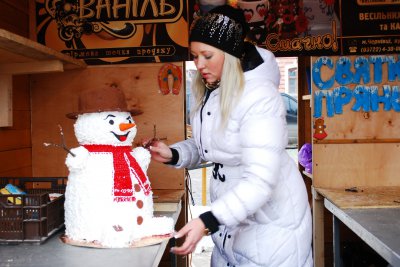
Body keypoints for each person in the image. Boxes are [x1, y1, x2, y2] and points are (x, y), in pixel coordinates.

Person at [147, 4, 313, 267]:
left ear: (231, 52)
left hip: (271, 231)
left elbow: (260, 181)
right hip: (232, 225)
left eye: (207, 55)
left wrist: (208, 220)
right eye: (194, 55)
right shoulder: (213, 89)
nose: (199, 64)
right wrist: (174, 153)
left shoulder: (259, 96)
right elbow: (213, 147)